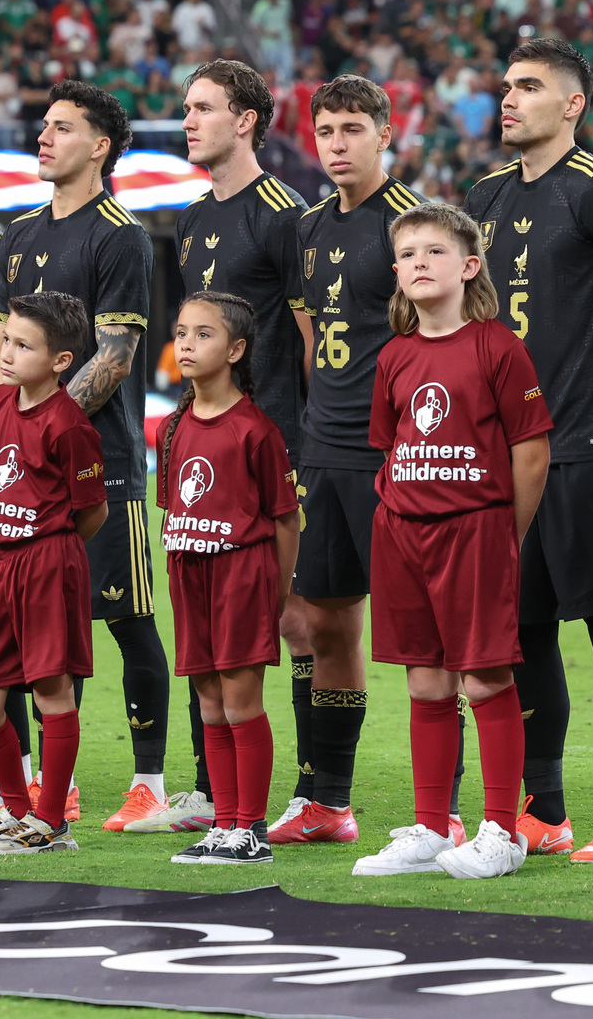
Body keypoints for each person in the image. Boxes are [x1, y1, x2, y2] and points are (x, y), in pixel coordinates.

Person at [461, 37, 593, 862]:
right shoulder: (484, 195)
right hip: (508, 454)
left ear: (572, 104)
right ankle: (544, 810)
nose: (508, 98)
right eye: (506, 85)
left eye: (529, 86)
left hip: (588, 446)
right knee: (524, 631)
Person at [0, 81, 170, 831]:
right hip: (18, 472)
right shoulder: (17, 235)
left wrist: (40, 424)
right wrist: (5, 430)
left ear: (99, 147)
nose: (43, 137)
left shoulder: (120, 235)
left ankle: (149, 783)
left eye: (61, 128)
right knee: (41, 632)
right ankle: (47, 789)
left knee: (126, 618)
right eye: (43, 125)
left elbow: (115, 355)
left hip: (102, 461)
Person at [351, 202, 552, 880]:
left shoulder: (498, 346)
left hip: (475, 529)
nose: (418, 264)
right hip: (402, 532)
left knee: (484, 677)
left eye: (433, 251)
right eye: (407, 255)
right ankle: (432, 828)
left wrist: (503, 532)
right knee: (426, 680)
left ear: (468, 267)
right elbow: (390, 446)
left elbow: (531, 454)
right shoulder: (395, 355)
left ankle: (501, 832)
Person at [278, 75, 439, 845]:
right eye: (325, 131)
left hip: (394, 456)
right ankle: (328, 804)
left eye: (351, 129)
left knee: (423, 636)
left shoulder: (412, 222)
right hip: (324, 452)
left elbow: (437, 335)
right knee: (324, 625)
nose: (336, 145)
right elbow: (313, 344)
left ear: (384, 134)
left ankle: (440, 813)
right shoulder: (308, 228)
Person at [160, 59, 310, 836]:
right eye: (186, 108)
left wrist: (301, 439)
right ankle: (211, 795)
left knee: (295, 623)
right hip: (204, 444)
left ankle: (316, 793)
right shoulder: (190, 219)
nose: (188, 121)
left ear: (245, 120)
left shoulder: (284, 213)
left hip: (271, 442)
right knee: (205, 628)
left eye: (202, 108)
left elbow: (309, 335)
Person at [0, 292, 107, 855]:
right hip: (2, 567)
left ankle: (50, 822)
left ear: (61, 361)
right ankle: (19, 812)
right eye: (7, 340)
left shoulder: (69, 425)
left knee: (52, 692)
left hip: (47, 563)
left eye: (23, 345)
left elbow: (93, 510)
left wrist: (50, 548)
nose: (8, 353)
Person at [155, 292, 300, 866]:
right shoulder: (172, 428)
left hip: (241, 576)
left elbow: (285, 520)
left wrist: (275, 593)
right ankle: (223, 825)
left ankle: (251, 830)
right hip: (189, 576)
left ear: (236, 350)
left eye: (203, 334)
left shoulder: (255, 430)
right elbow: (176, 512)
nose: (187, 344)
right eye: (181, 332)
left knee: (240, 704)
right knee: (209, 705)